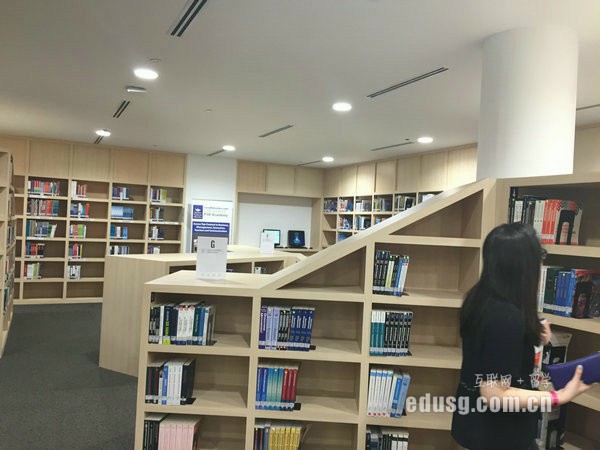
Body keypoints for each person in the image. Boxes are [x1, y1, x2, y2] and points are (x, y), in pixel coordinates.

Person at [451, 222, 593, 450]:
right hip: (498, 434)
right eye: (540, 256)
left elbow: (488, 353)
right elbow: (494, 394)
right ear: (524, 266)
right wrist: (559, 397)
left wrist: (531, 333)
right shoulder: (506, 318)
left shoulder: (480, 298)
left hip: (475, 423)